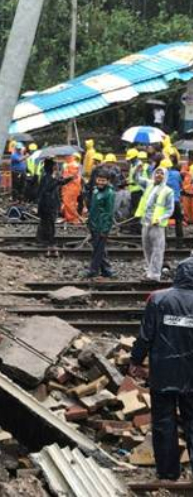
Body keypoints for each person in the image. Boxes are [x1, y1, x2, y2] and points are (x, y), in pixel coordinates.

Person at [129, 257, 193, 481]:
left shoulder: (158, 299)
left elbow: (145, 335)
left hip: (163, 373)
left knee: (164, 423)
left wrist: (135, 360)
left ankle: (167, 473)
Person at [136, 166, 174, 281]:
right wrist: (137, 171)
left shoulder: (168, 191)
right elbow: (137, 179)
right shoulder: (149, 185)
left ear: (165, 176)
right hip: (146, 222)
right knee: (147, 248)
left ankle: (155, 275)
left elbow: (170, 209)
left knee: (157, 250)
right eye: (157, 173)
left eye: (161, 173)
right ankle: (150, 272)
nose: (159, 175)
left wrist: (161, 218)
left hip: (157, 225)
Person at [36, 158, 72, 251]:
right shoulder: (47, 177)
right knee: (49, 223)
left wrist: (69, 178)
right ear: (51, 167)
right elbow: (48, 188)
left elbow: (59, 182)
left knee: (45, 223)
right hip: (47, 205)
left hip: (47, 204)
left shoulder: (49, 176)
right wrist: (56, 181)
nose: (56, 166)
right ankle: (48, 241)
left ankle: (42, 240)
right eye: (54, 165)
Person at [84, 173, 115, 277]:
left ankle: (93, 270)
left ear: (108, 181)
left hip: (101, 226)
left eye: (103, 180)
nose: (101, 182)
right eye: (99, 180)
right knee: (99, 248)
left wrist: (105, 229)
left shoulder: (109, 194)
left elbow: (109, 213)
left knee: (97, 250)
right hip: (94, 224)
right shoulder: (96, 190)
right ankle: (107, 270)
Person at [163, 159, 185, 247]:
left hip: (165, 202)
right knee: (178, 222)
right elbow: (181, 185)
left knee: (163, 222)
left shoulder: (161, 176)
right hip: (175, 201)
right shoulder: (176, 174)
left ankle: (164, 243)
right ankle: (180, 243)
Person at [61, 154, 82, 224]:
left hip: (72, 187)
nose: (65, 157)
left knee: (69, 203)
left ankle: (73, 218)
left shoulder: (72, 165)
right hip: (70, 187)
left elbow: (70, 176)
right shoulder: (69, 165)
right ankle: (68, 217)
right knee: (68, 202)